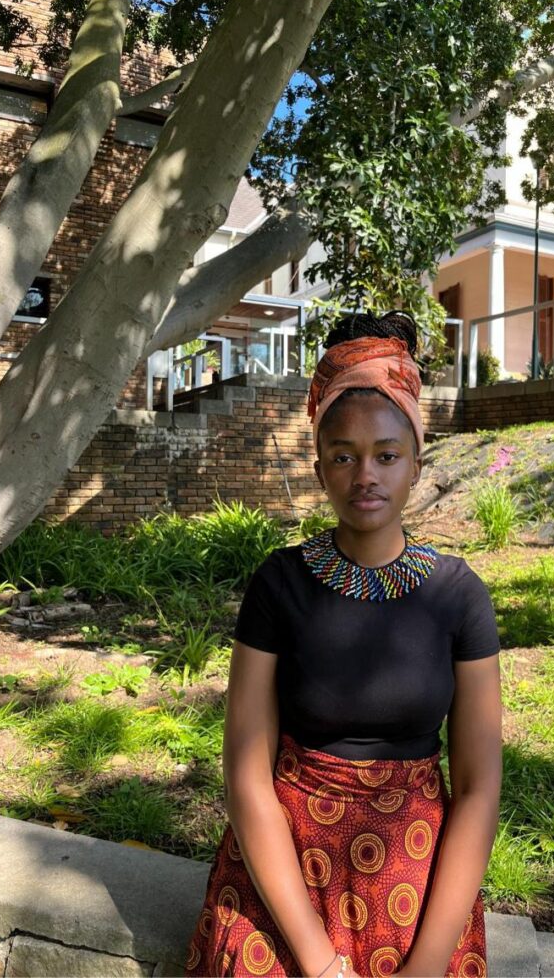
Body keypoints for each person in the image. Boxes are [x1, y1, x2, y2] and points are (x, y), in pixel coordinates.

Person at [184, 310, 502, 978]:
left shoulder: (459, 596)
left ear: (416, 464)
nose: (366, 476)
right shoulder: (280, 585)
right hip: (285, 873)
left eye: (386, 455)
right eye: (343, 456)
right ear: (320, 468)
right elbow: (246, 773)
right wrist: (319, 962)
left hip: (416, 873)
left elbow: (478, 789)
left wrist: (426, 967)